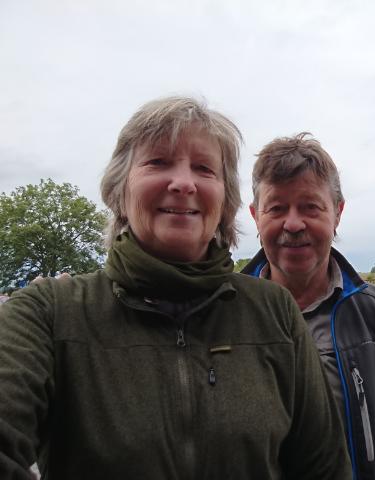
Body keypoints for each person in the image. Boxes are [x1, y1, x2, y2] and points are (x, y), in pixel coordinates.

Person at [0, 98, 351, 480]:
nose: (184, 183)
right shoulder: (47, 313)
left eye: (204, 168)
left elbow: (324, 468)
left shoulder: (274, 311)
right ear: (119, 189)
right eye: (158, 162)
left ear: (225, 200)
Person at [242, 133, 375, 480]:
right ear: (256, 216)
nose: (293, 224)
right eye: (277, 208)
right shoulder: (225, 315)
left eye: (310, 207)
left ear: (337, 213)